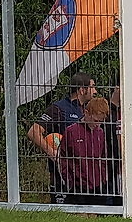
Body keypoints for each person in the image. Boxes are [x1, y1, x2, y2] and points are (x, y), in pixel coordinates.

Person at [27, 72, 96, 205]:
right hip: (62, 175)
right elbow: (33, 132)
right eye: (92, 87)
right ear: (82, 90)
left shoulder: (86, 110)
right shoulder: (58, 109)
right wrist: (52, 153)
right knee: (63, 212)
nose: (95, 91)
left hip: (83, 174)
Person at [59, 95, 116, 206]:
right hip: (77, 186)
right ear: (86, 113)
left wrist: (103, 178)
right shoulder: (71, 131)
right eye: (95, 120)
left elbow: (103, 157)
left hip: (97, 185)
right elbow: (63, 158)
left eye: (101, 122)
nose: (97, 124)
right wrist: (70, 181)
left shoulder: (100, 133)